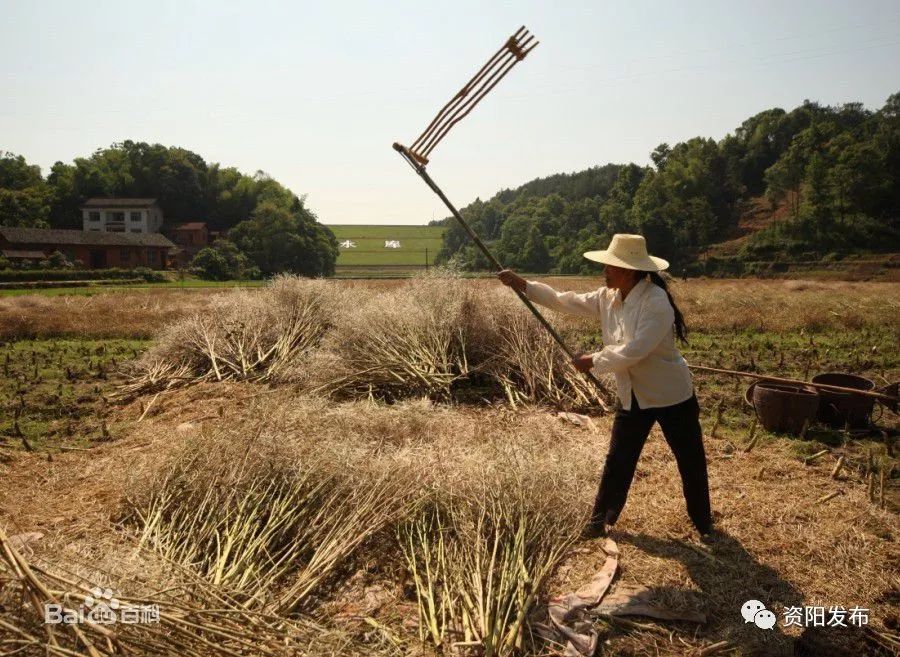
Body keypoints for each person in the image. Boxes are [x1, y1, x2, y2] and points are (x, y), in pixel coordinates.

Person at [498, 233, 713, 539]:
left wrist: (594, 360)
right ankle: (599, 520)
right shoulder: (608, 297)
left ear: (628, 270)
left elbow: (636, 349)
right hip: (634, 395)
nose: (605, 271)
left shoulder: (655, 301)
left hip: (670, 395)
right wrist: (523, 285)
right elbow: (564, 300)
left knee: (689, 458)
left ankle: (703, 521)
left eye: (610, 266)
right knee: (618, 459)